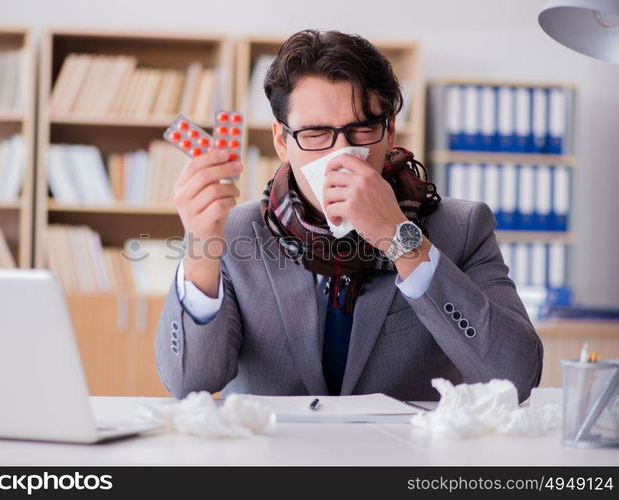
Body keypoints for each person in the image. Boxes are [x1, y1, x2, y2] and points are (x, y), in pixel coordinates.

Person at [155, 29, 543, 402]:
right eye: (316, 133)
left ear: (390, 131)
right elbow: (189, 383)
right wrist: (201, 247)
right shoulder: (236, 231)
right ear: (281, 141)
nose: (340, 153)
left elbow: (515, 376)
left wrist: (401, 238)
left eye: (360, 130)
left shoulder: (461, 227)